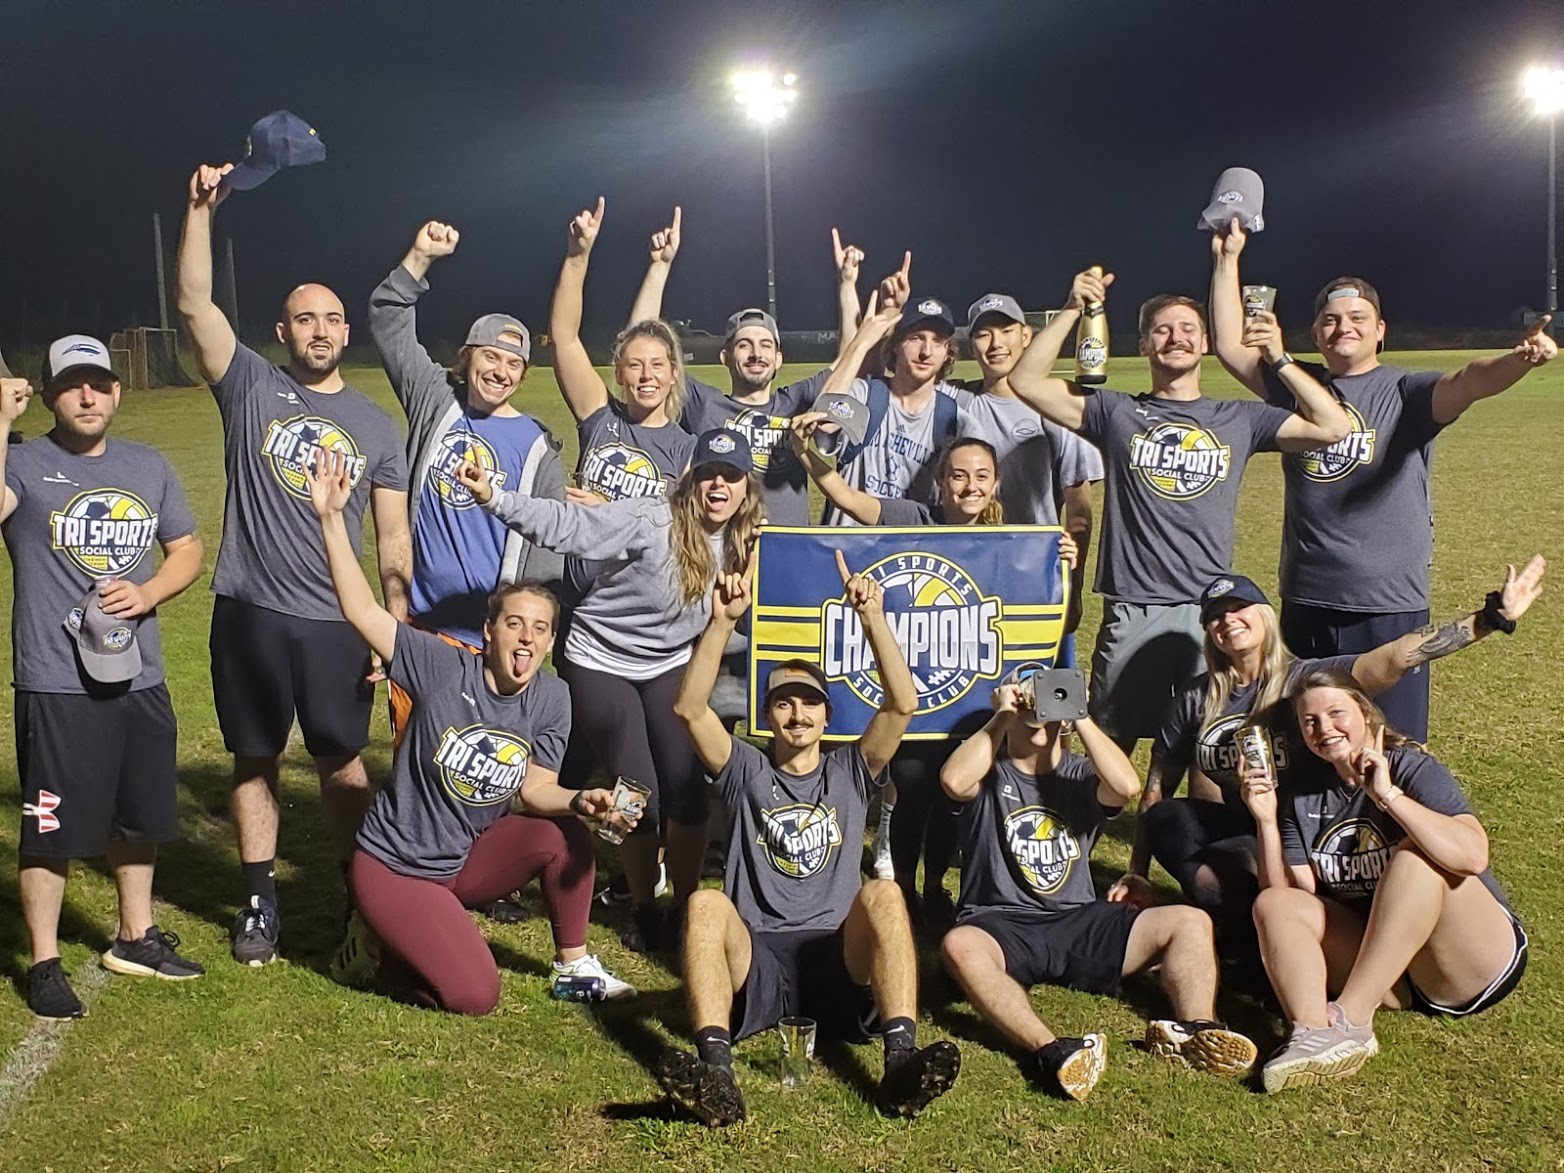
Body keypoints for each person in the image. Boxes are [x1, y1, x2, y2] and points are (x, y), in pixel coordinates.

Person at [177, 163, 413, 966]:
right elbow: (193, 304)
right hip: (249, 610)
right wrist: (200, 213)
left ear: (347, 333)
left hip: (336, 620)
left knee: (341, 761)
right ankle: (258, 900)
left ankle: (360, 890)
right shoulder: (248, 385)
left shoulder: (377, 426)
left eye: (333, 319)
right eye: (305, 318)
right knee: (256, 757)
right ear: (282, 331)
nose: (320, 330)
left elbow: (392, 537)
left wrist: (390, 624)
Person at [305, 449, 634, 1014]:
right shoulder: (440, 666)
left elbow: (535, 788)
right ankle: (378, 945)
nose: (526, 638)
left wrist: (580, 800)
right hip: (396, 868)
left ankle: (573, 967)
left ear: (551, 641)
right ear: (488, 631)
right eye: (514, 624)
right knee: (475, 996)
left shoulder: (552, 696)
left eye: (540, 629)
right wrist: (333, 519)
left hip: (463, 859)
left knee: (565, 834)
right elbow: (362, 611)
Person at [1210, 222, 1558, 741]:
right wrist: (1227, 258)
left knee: (1392, 742)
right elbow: (1227, 345)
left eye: (1358, 318)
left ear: (1380, 331)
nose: (1343, 327)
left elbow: (1469, 381)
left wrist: (1517, 360)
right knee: (1312, 737)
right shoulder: (1296, 385)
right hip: (1308, 597)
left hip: (1387, 602)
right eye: (1330, 320)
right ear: (1315, 333)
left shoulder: (1405, 391)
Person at [655, 551, 960, 1126]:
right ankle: (716, 1074)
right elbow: (689, 709)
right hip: (758, 956)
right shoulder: (745, 769)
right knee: (703, 904)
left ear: (827, 716)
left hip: (837, 954)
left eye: (809, 703)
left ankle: (901, 1061)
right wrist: (722, 622)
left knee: (886, 893)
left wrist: (874, 619)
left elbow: (903, 704)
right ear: (767, 715)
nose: (797, 714)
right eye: (783, 702)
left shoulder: (851, 770)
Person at [1108, 561, 1545, 941]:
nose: (1228, 620)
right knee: (1167, 820)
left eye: (1239, 608)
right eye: (1216, 616)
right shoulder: (1197, 697)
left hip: (1304, 826)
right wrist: (1137, 872)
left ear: (1265, 615)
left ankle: (1273, 931)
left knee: (1250, 880)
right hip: (1248, 822)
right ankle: (1237, 925)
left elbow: (1395, 658)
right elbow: (1158, 784)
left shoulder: (1306, 680)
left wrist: (1488, 619)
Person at [1007, 267, 1350, 750]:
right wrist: (1071, 309)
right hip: (1134, 603)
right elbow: (1025, 380)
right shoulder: (1115, 413)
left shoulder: (1239, 417)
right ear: (1144, 346)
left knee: (1205, 739)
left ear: (1205, 343)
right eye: (1162, 330)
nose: (1176, 338)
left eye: (1188, 329)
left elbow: (1334, 426)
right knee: (1114, 737)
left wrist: (1278, 358)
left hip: (1209, 610)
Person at [456, 429, 763, 954]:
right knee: (638, 791)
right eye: (708, 473)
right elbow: (570, 526)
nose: (719, 485)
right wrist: (494, 497)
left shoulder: (750, 542)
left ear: (746, 486)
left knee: (688, 790)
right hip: (600, 657)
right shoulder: (653, 519)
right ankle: (644, 908)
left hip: (668, 662)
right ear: (690, 477)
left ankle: (686, 904)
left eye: (730, 476)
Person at [792, 421, 1079, 927]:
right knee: (911, 784)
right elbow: (846, 497)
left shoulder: (1014, 542)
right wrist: (806, 453)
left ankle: (937, 886)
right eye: (959, 475)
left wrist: (1065, 573)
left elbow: (1063, 622)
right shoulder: (913, 517)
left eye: (981, 476)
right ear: (941, 481)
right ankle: (903, 888)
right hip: (916, 695)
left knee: (957, 795)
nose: (970, 486)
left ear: (996, 484)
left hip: (973, 700)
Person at [1, 342, 205, 1019]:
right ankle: (44, 962)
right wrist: (0, 423)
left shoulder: (148, 465)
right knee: (50, 825)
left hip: (138, 674)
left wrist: (149, 593)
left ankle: (136, 935)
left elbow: (187, 549)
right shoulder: (23, 463)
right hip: (57, 681)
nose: (87, 397)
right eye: (72, 386)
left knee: (138, 812)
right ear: (48, 394)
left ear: (116, 391)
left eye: (97, 384)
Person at [939, 671, 1256, 1100]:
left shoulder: (1079, 775)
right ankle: (1052, 1050)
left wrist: (1079, 714)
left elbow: (1126, 786)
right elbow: (954, 781)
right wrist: (1003, 716)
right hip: (1002, 922)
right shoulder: (989, 772)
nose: (1036, 702)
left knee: (1190, 920)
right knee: (959, 945)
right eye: (1027, 690)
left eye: (1047, 692)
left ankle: (1197, 1030)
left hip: (1079, 919)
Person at [1245, 668, 1528, 1092]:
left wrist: (1387, 797)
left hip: (1470, 960)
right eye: (1310, 721)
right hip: (1393, 975)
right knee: (1272, 903)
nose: (1324, 728)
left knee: (1413, 855)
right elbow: (1289, 899)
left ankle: (1350, 1020)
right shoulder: (1302, 795)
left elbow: (1472, 856)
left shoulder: (1410, 768)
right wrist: (1265, 820)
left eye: (1336, 713)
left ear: (1365, 714)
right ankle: (1312, 1033)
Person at [366, 218, 565, 666]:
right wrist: (421, 258)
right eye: (490, 356)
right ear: (467, 356)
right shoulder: (435, 400)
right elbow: (388, 320)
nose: (500, 372)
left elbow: (546, 557)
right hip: (419, 627)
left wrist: (516, 637)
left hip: (490, 642)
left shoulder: (539, 449)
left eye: (513, 364)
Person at [626, 209, 864, 526]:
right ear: (725, 357)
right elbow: (641, 342)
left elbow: (849, 361)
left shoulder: (795, 403)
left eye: (766, 345)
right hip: (720, 547)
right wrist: (660, 266)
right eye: (744, 345)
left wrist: (847, 284)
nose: (756, 354)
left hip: (786, 547)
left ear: (779, 359)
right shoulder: (703, 404)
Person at [955, 292, 1105, 642]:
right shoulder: (956, 402)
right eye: (984, 334)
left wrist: (1073, 586)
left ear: (1026, 336)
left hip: (1036, 572)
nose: (996, 344)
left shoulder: (1058, 409)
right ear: (971, 345)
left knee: (1041, 671)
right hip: (967, 570)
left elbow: (1079, 511)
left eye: (1006, 331)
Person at [811, 259, 971, 523]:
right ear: (896, 344)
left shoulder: (955, 418)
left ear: (947, 352)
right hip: (849, 544)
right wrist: (861, 343)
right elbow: (823, 420)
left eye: (938, 341)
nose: (926, 351)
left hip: (910, 548)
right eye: (915, 338)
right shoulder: (866, 396)